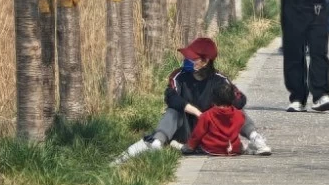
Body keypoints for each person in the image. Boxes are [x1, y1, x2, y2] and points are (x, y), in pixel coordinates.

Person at [113, 37, 271, 163]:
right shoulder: (179, 76)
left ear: (205, 61)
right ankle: (157, 142)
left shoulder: (219, 79)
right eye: (187, 56)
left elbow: (240, 100)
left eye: (192, 58)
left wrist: (226, 101)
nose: (186, 59)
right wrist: (196, 112)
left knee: (235, 109)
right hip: (186, 130)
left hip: (211, 132)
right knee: (173, 110)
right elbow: (170, 97)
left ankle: (255, 137)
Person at [183, 77, 245, 156]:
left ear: (213, 99)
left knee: (198, 144)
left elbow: (197, 135)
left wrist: (190, 146)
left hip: (212, 149)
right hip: (234, 148)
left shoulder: (207, 115)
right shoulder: (239, 114)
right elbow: (239, 125)